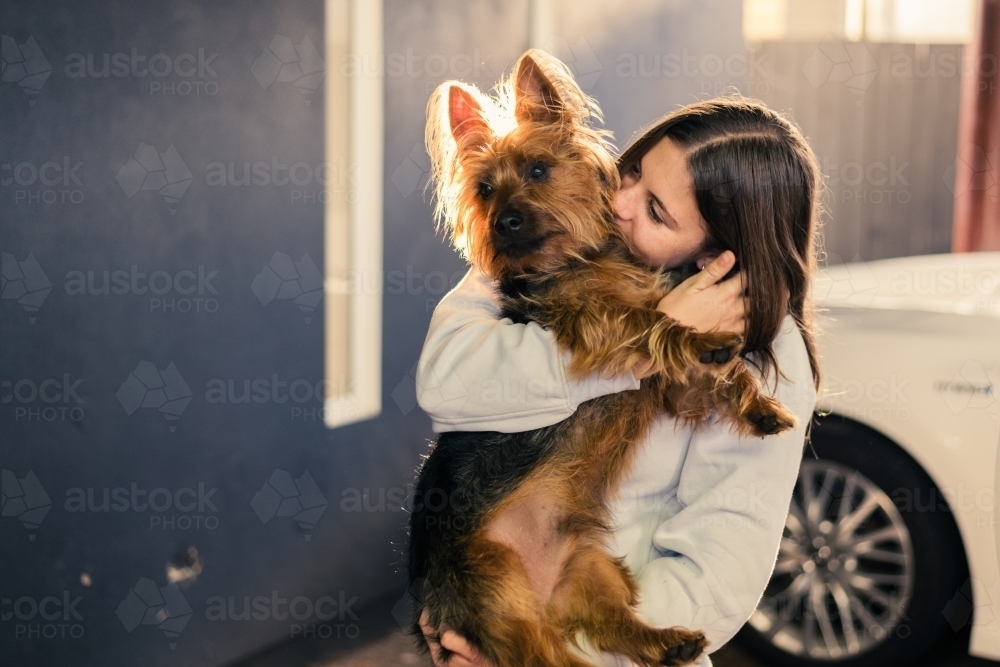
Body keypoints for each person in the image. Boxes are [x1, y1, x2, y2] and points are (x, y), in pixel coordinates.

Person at [414, 97, 822, 667]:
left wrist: (544, 646)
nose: (620, 201)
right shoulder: (540, 258)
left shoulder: (766, 351)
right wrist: (642, 352)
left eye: (657, 211)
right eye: (630, 172)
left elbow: (719, 574)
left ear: (716, 251)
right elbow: (444, 389)